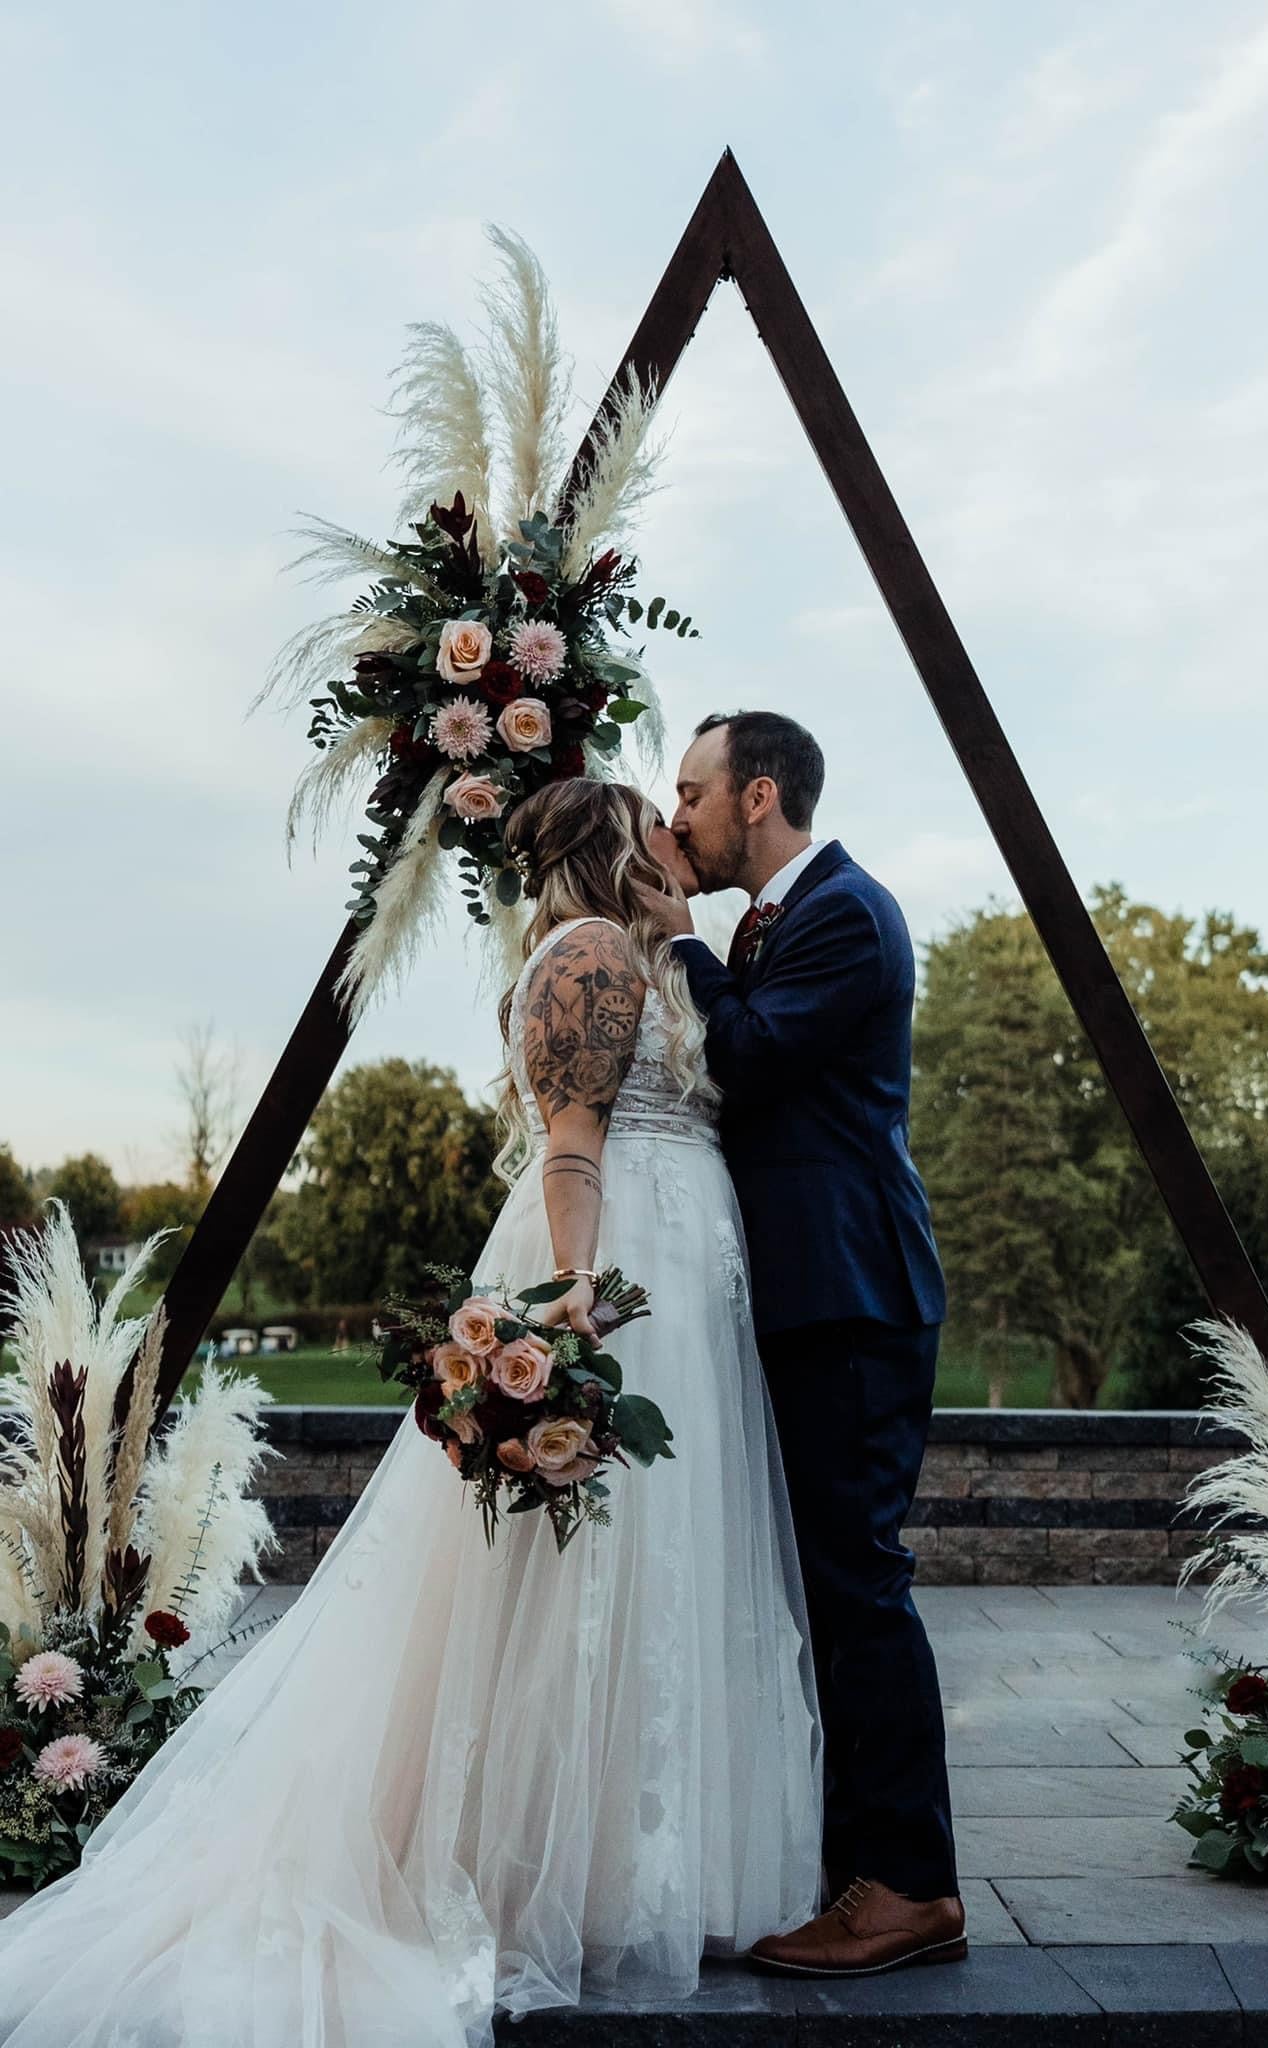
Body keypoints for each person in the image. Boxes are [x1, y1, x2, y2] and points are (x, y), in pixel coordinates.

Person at [0, 780, 822, 2048]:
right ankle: (529, 1865)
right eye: (654, 825)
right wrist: (574, 1299)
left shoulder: (644, 955)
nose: (675, 837)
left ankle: (633, 1859)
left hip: (684, 1289)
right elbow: (569, 1142)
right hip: (613, 1272)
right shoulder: (590, 952)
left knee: (654, 1569)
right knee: (581, 1574)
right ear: (609, 848)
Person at [641, 709, 965, 1978]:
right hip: (809, 1293)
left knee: (857, 1584)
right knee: (825, 1585)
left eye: (691, 793)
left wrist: (678, 941)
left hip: (852, 1294)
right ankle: (852, 1861)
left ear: (757, 794)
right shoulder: (780, 917)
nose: (676, 821)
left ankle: (909, 1886)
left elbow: (748, 1055)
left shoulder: (843, 909)